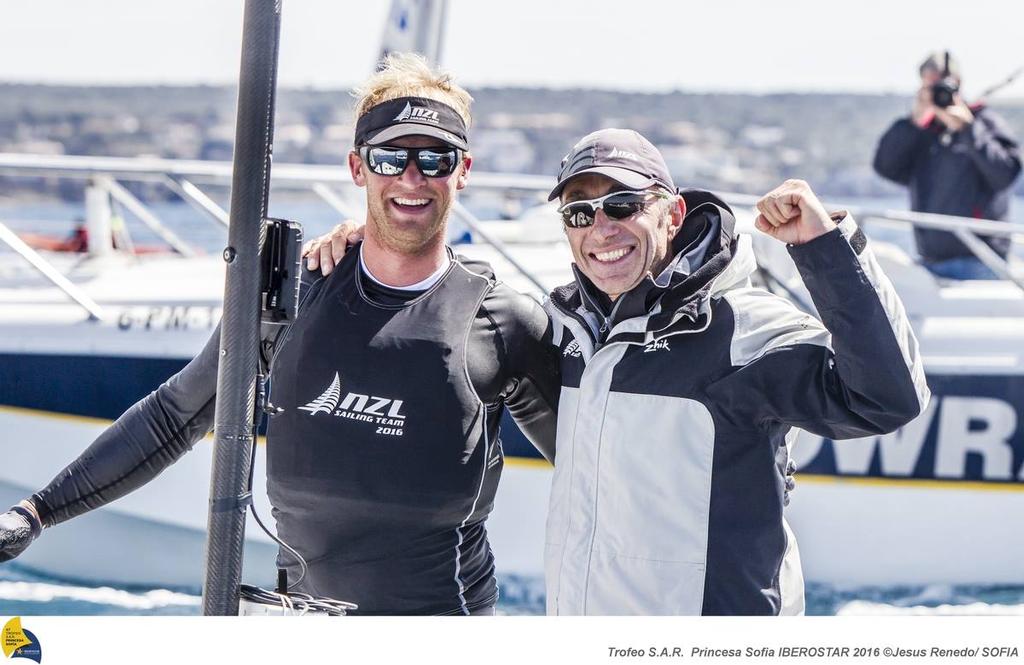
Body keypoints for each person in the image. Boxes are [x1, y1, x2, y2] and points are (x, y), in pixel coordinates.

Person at [0, 53, 561, 616]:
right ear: (358, 168)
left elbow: (593, 456)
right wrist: (35, 513)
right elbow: (176, 416)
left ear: (463, 170)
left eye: (435, 159)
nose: (411, 178)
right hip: (298, 631)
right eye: (391, 157)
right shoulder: (291, 294)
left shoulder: (503, 321)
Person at [541, 129, 929, 615]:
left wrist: (825, 247)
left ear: (673, 214)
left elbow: (888, 399)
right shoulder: (566, 331)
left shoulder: (746, 330)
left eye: (623, 204)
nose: (601, 228)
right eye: (580, 213)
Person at [873, 51, 1021, 280]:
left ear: (957, 84)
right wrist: (913, 123)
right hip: (930, 263)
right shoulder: (921, 132)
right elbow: (885, 166)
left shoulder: (984, 123)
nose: (937, 93)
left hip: (982, 262)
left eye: (941, 86)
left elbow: (1006, 174)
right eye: (930, 87)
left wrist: (968, 130)